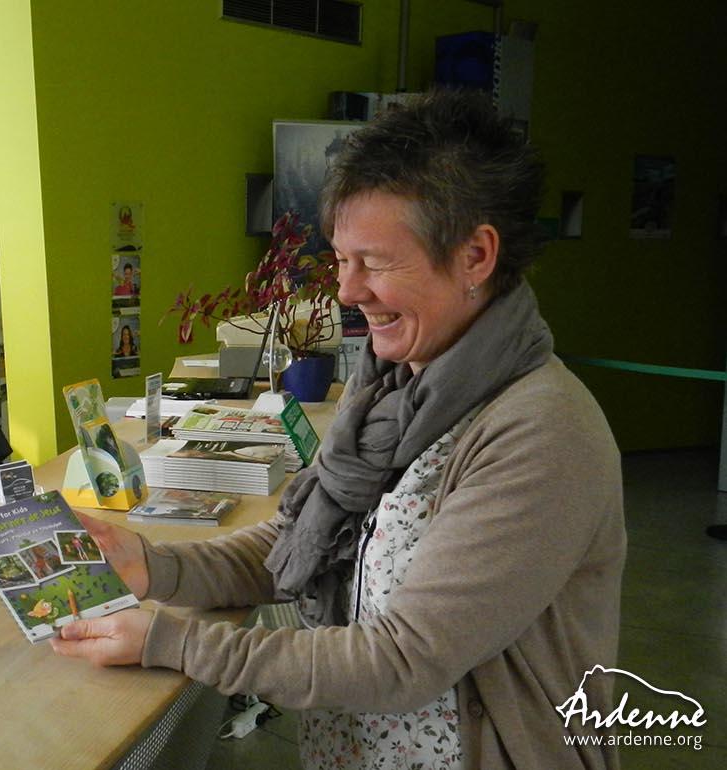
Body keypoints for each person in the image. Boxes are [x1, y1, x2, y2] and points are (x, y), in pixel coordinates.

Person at [51, 90, 625, 769]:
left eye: (374, 262)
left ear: (475, 255)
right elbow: (304, 543)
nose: (347, 291)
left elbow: (403, 659)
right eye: (342, 260)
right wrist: (152, 565)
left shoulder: (544, 433)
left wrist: (170, 643)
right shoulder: (391, 385)